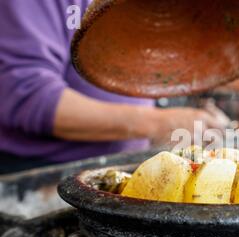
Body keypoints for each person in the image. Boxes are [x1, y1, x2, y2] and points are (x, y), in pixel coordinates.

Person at [0, 0, 226, 174]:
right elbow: (26, 94)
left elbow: (177, 60)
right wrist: (161, 122)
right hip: (42, 176)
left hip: (118, 166)